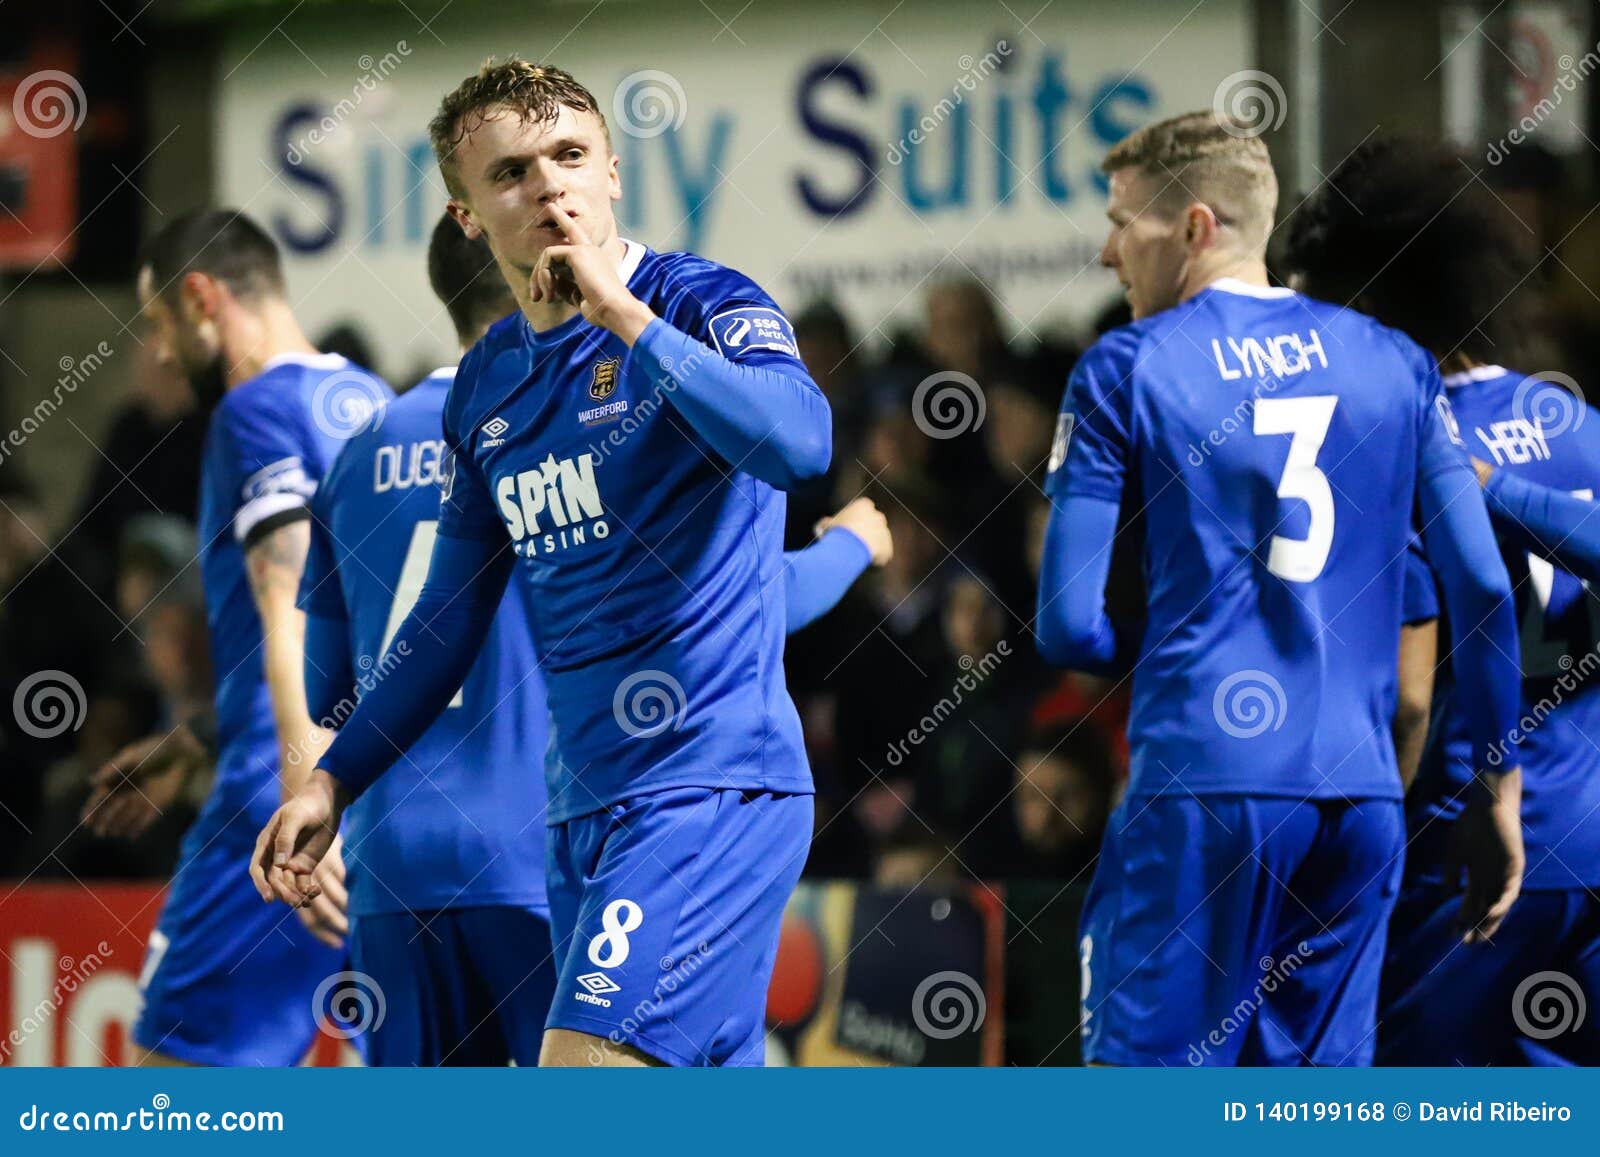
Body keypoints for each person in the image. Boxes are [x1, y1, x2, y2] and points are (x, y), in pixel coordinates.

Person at [251, 59, 836, 1068]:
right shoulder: (485, 384)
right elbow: (448, 616)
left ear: (612, 171)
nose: (550, 185)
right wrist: (331, 782)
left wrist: (625, 318)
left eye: (569, 155)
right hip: (578, 810)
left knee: (578, 1089)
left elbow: (799, 443)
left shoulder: (698, 299)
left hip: (708, 787)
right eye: (513, 172)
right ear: (468, 216)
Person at [1035, 112, 1524, 1066]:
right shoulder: (1395, 362)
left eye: (1121, 220)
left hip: (1203, 788)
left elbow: (1063, 627)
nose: (1105, 251)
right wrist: (1494, 785)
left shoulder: (1125, 369)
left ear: (1195, 227)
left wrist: (1172, 645)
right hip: (1359, 797)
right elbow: (1481, 588)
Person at [1287, 136, 1600, 1065]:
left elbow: (1403, 692)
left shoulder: (1381, 451)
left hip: (1466, 856)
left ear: (1371, 303)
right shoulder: (1576, 421)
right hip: (1591, 836)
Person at [83, 209, 392, 1065]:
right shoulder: (378, 407)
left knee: (166, 1104)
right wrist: (198, 740)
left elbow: (286, 596)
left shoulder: (253, 412)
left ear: (201, 298)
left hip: (279, 815)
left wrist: (301, 796)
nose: (165, 354)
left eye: (158, 326)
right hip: (384, 805)